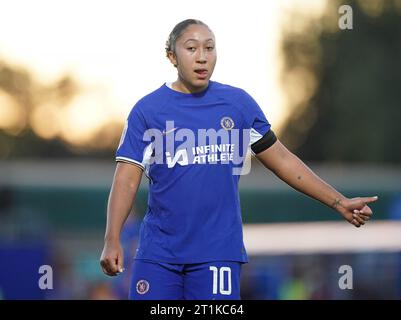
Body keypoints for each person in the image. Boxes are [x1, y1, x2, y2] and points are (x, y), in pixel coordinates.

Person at [100, 19, 377, 300]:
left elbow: (281, 159)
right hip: (158, 255)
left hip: (216, 253)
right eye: (191, 48)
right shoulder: (147, 111)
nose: (202, 56)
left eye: (209, 48)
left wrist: (338, 201)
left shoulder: (238, 105)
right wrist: (112, 240)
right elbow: (126, 179)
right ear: (172, 56)